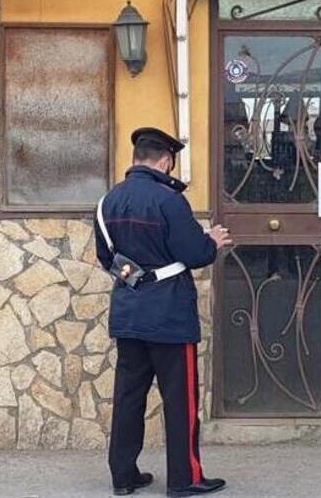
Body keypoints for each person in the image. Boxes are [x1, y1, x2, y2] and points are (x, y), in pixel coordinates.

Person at [94, 127, 232, 496]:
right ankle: (184, 479)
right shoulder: (169, 201)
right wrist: (212, 242)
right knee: (180, 399)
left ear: (137, 158)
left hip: (128, 311)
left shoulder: (108, 201)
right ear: (166, 160)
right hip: (169, 313)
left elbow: (106, 258)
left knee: (128, 396)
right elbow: (195, 254)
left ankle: (124, 476)